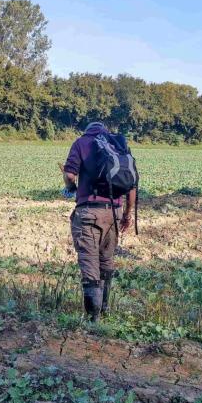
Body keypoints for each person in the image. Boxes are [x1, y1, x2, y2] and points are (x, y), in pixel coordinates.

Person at [62, 122, 137, 321]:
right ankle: (104, 309)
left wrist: (71, 188)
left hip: (88, 212)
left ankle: (93, 319)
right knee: (106, 261)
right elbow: (131, 185)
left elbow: (69, 175)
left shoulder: (81, 143)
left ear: (87, 131)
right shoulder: (118, 145)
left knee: (89, 262)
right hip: (114, 212)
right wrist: (127, 215)